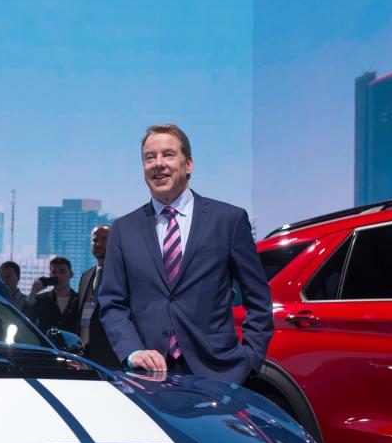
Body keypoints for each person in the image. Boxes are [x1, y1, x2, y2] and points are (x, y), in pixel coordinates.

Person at [98, 124, 272, 384]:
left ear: (188, 164)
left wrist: (248, 360)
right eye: (149, 157)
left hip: (218, 375)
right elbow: (112, 303)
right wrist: (133, 352)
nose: (158, 163)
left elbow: (258, 300)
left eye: (168, 154)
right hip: (146, 377)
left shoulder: (228, 220)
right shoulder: (124, 229)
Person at [76, 225, 118, 367]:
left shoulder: (123, 274)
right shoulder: (85, 276)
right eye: (95, 240)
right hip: (85, 356)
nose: (99, 244)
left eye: (104, 240)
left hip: (113, 355)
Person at [24, 256, 78, 333]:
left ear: (71, 274)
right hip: (46, 344)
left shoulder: (79, 300)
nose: (58, 276)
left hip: (72, 344)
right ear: (50, 275)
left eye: (62, 271)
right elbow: (25, 321)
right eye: (54, 272)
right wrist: (33, 293)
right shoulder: (41, 299)